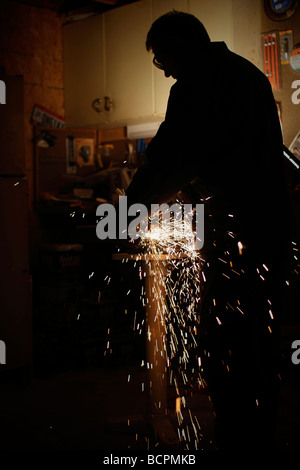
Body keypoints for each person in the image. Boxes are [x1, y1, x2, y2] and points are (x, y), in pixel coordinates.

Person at [125, 11, 295, 449]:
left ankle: (236, 436)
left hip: (237, 230)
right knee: (260, 336)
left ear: (182, 45)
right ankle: (257, 432)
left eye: (164, 60)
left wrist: (131, 210)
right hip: (269, 225)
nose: (166, 72)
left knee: (228, 337)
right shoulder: (249, 74)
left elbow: (171, 156)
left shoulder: (199, 83)